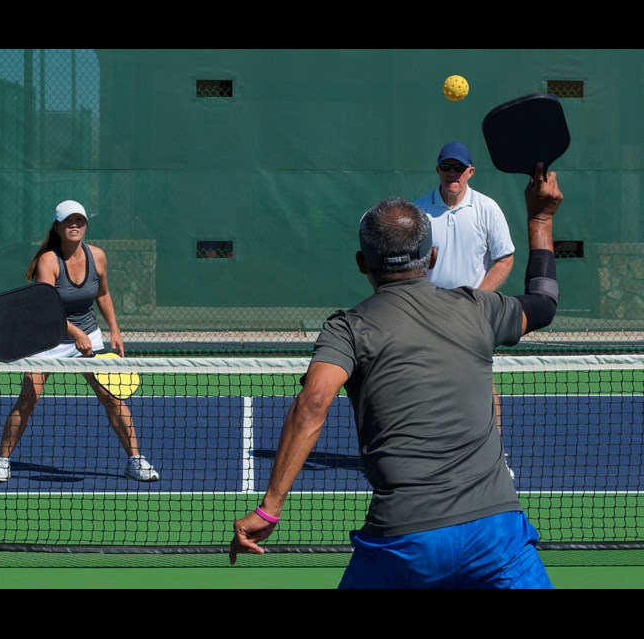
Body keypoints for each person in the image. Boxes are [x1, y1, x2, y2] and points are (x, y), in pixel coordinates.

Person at [230, 165, 563, 588]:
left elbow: (313, 403)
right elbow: (544, 302)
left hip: (403, 543)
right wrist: (540, 220)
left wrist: (268, 510)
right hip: (496, 537)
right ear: (434, 256)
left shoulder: (348, 328)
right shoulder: (478, 309)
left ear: (360, 263)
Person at [0, 200, 160, 483]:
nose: (74, 225)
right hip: (47, 338)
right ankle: (2, 461)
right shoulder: (48, 261)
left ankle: (135, 460)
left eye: (79, 220)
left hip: (88, 335)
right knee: (29, 398)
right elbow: (46, 308)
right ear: (58, 226)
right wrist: (74, 334)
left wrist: (114, 329)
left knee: (112, 397)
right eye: (68, 221)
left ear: (86, 225)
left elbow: (102, 294)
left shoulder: (98, 257)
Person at [414, 142, 517, 479]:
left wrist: (479, 298)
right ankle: (428, 459)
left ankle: (494, 461)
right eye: (447, 168)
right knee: (424, 386)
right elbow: (410, 264)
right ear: (438, 170)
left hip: (473, 315)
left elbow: (505, 258)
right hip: (428, 316)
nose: (452, 175)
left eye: (459, 168)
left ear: (470, 172)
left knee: (481, 386)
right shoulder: (418, 213)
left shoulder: (487, 209)